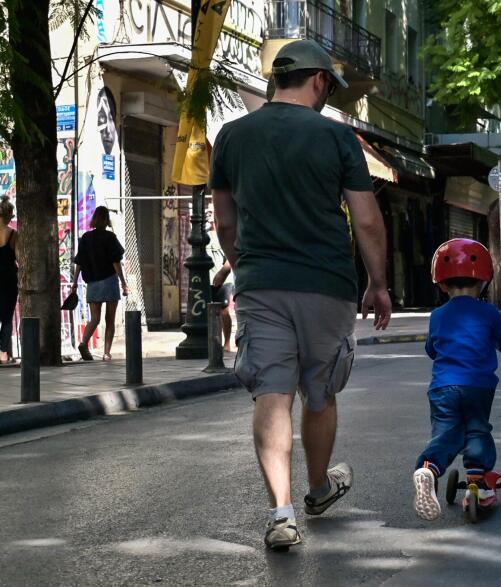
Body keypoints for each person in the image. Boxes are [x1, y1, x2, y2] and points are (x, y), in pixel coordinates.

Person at [209, 40, 392, 551]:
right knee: (320, 390)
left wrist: (246, 263)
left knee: (272, 392)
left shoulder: (231, 136)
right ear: (317, 81)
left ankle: (282, 513)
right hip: (327, 284)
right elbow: (368, 219)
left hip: (261, 282)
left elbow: (225, 221)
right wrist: (377, 284)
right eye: (329, 86)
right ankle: (316, 489)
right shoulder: (337, 137)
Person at [412, 239, 501, 521]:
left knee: (447, 433)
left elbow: (431, 350)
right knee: (477, 430)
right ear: (483, 281)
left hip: (443, 387)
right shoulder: (489, 313)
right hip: (478, 386)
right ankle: (478, 482)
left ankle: (429, 468)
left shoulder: (437, 315)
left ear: (441, 285)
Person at [72, 206, 128, 361]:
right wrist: (123, 282)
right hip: (109, 281)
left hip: (92, 283)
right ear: (106, 219)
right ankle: (106, 353)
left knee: (95, 318)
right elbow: (116, 262)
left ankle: (84, 343)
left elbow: (79, 262)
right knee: (110, 320)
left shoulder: (85, 238)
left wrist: (75, 283)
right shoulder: (110, 237)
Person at [206, 206, 234, 351]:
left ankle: (227, 342)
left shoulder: (224, 235)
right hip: (207, 279)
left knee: (223, 311)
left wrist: (223, 272)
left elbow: (231, 257)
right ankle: (213, 343)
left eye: (211, 212)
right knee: (210, 312)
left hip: (223, 280)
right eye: (207, 212)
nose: (208, 214)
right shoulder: (204, 236)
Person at [0, 196, 18, 365]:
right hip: (8, 279)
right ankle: (3, 353)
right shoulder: (13, 234)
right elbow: (20, 258)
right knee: (7, 317)